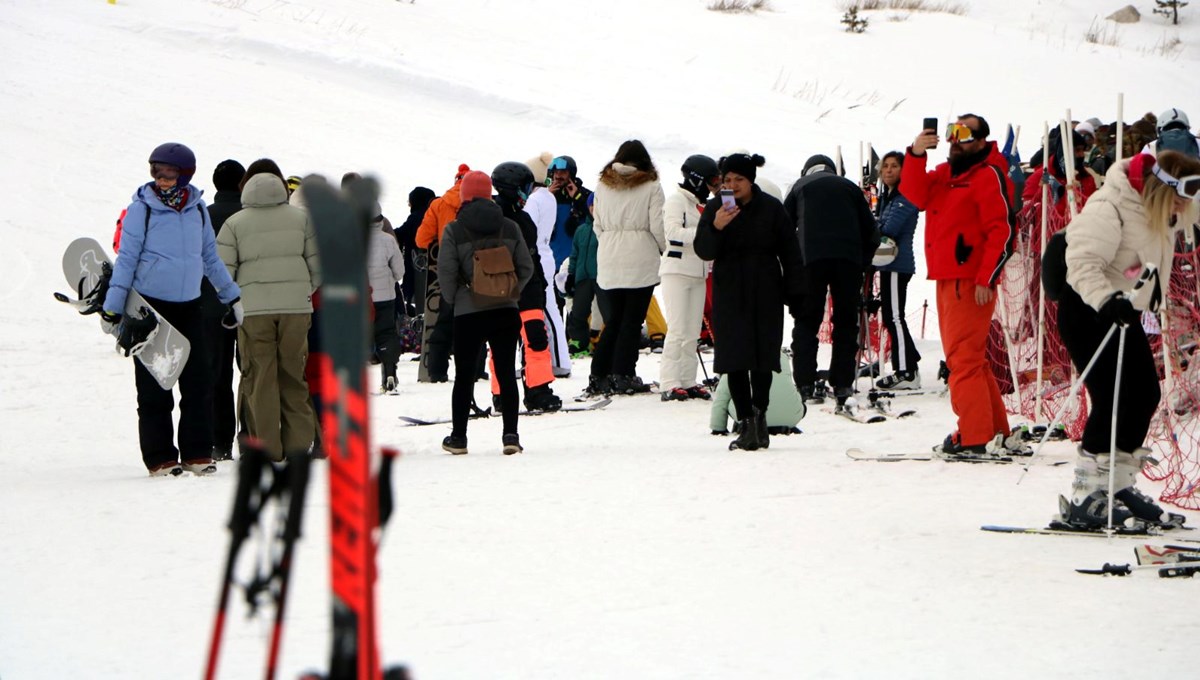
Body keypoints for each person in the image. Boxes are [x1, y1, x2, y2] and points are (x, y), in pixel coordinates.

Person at [1053, 150, 1199, 530]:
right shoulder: (1110, 204)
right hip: (1089, 308)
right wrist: (1107, 299)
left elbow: (1137, 255)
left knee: (1144, 394)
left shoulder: (1162, 207)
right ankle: (1087, 495)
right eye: (1187, 191)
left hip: (1123, 312)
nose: (1189, 203)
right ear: (1164, 186)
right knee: (1113, 397)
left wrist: (1128, 296)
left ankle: (1116, 486)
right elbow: (1081, 264)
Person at [101, 143, 243, 476]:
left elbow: (210, 257)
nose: (161, 180)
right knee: (154, 386)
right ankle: (160, 456)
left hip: (190, 306)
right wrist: (113, 308)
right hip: (150, 309)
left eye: (168, 173)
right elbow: (127, 259)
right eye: (156, 172)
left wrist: (232, 296)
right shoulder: (141, 209)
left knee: (198, 382)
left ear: (185, 175)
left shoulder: (197, 210)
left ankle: (196, 453)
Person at [901, 114, 1020, 456]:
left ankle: (974, 436)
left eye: (964, 133)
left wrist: (987, 277)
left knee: (962, 362)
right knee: (972, 360)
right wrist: (916, 155)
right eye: (952, 132)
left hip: (969, 281)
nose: (955, 140)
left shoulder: (987, 175)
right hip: (948, 278)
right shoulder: (946, 175)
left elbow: (1002, 231)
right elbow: (916, 195)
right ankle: (994, 430)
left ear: (982, 140)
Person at [694, 153, 804, 451]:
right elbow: (703, 250)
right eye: (726, 180)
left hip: (765, 286)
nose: (732, 185)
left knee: (762, 356)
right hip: (729, 288)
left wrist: (795, 293)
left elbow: (791, 252)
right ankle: (744, 423)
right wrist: (715, 226)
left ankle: (759, 418)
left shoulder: (771, 208)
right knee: (735, 357)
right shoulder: (717, 206)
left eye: (738, 180)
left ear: (750, 180)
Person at [217, 171, 320, 463]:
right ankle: (299, 445)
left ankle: (267, 448)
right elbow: (318, 265)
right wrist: (303, 291)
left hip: (253, 311)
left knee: (260, 377)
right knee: (293, 374)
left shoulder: (234, 224)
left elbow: (223, 271)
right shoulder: (302, 220)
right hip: (296, 311)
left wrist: (237, 298)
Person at [437, 171, 535, 455]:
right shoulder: (509, 227)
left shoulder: (454, 230)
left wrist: (457, 300)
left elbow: (445, 272)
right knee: (506, 373)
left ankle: (458, 438)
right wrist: (510, 292)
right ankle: (510, 436)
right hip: (505, 310)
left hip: (469, 313)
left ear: (464, 194)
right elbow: (526, 267)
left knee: (464, 375)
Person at [784, 154, 880, 408]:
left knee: (807, 321)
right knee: (846, 322)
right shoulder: (849, 187)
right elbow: (872, 232)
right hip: (848, 261)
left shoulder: (799, 187)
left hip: (810, 261)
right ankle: (843, 382)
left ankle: (804, 383)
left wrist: (790, 268)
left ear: (807, 169)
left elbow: (783, 229)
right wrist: (863, 262)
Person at [587, 140, 667, 396]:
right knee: (632, 321)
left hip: (609, 257)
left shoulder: (603, 184)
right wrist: (664, 249)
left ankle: (599, 374)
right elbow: (657, 226)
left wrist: (611, 245)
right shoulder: (652, 185)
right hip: (640, 258)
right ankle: (624, 374)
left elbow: (597, 225)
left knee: (613, 321)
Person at [490, 161, 563, 412]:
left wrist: (541, 284)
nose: (528, 193)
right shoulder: (492, 218)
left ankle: (538, 390)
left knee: (536, 339)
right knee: (502, 344)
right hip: (503, 294)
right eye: (525, 187)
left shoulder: (523, 218)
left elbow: (533, 256)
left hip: (529, 292)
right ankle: (501, 393)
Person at [659, 154, 721, 401]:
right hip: (676, 270)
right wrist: (705, 233)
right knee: (677, 328)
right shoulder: (677, 201)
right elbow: (672, 232)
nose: (712, 187)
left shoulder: (703, 204)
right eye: (710, 181)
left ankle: (687, 379)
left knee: (693, 329)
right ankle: (669, 381)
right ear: (696, 179)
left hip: (698, 271)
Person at [416, 164, 473, 381]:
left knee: (444, 320)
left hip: (447, 269)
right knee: (474, 321)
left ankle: (437, 370)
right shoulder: (484, 203)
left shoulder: (439, 204)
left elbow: (421, 239)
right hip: (476, 269)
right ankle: (475, 370)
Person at [205, 159, 246, 460]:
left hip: (210, 306)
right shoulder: (250, 216)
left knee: (217, 377)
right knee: (252, 373)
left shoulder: (203, 216)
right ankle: (254, 435)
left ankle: (220, 442)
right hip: (251, 304)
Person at [873, 151, 922, 390]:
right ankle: (909, 362)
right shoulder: (889, 198)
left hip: (896, 264)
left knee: (894, 317)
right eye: (886, 167)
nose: (889, 170)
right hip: (888, 264)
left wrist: (875, 226)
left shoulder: (904, 198)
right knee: (893, 317)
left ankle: (906, 372)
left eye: (894, 166)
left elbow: (888, 228)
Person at [524, 152, 573, 378]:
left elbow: (527, 226)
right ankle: (559, 359)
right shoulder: (548, 197)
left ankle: (555, 361)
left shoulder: (535, 199)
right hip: (545, 254)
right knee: (549, 310)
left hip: (535, 256)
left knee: (539, 310)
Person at [710, 350, 806, 435]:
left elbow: (721, 398)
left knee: (735, 395)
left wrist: (718, 428)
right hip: (790, 417)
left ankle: (747, 423)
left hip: (751, 415)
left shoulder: (737, 354)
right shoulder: (780, 355)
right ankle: (781, 418)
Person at [367, 203, 406, 394]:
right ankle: (390, 373)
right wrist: (389, 278)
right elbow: (399, 272)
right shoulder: (388, 240)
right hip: (385, 296)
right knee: (386, 333)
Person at [564, 193, 601, 356]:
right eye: (592, 205)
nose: (594, 209)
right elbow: (575, 254)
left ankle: (603, 340)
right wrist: (571, 275)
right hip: (582, 277)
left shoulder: (606, 229)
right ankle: (579, 342)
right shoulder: (581, 230)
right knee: (578, 312)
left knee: (605, 311)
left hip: (601, 277)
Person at [394, 186, 436, 316]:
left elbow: (400, 234)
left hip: (417, 269)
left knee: (419, 308)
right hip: (435, 270)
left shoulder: (416, 217)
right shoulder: (435, 215)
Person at [547, 155, 593, 269]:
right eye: (555, 172)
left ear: (571, 174)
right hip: (551, 263)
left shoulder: (586, 196)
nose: (558, 176)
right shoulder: (545, 195)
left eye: (563, 172)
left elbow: (598, 217)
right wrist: (545, 198)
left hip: (577, 265)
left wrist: (578, 198)